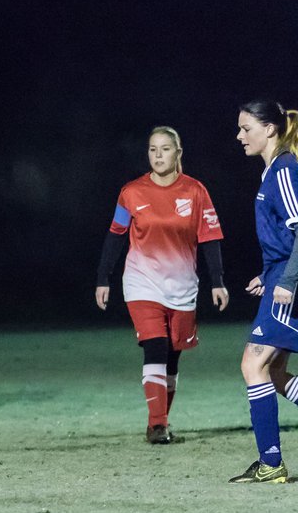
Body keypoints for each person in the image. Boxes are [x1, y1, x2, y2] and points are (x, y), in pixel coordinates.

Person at [95, 127, 227, 445]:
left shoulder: (196, 191)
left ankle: (159, 421)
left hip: (183, 286)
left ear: (178, 153)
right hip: (141, 282)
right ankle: (157, 425)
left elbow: (210, 239)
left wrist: (217, 282)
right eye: (153, 149)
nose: (158, 156)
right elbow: (115, 236)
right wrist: (103, 278)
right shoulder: (131, 192)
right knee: (154, 346)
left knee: (172, 357)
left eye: (165, 149)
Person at [230, 100, 298, 483]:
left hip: (288, 284)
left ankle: (272, 464)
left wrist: (286, 281)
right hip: (278, 277)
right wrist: (268, 273)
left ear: (270, 128)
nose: (240, 136)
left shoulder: (285, 169)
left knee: (253, 365)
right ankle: (271, 462)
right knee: (272, 371)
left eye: (246, 128)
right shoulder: (271, 171)